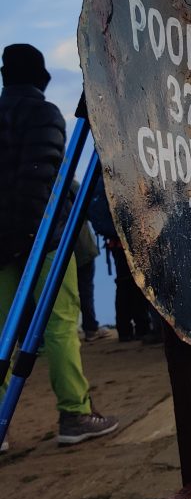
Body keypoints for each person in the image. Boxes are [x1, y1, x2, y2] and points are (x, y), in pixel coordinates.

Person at [0, 44, 118, 445]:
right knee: (59, 325)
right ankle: (74, 414)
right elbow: (42, 177)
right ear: (39, 76)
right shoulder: (44, 113)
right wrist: (30, 235)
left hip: (0, 244)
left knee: (1, 332)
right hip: (43, 239)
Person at [89, 168, 156, 343]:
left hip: (114, 240)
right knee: (137, 282)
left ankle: (125, 328)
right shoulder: (120, 172)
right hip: (129, 238)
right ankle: (141, 326)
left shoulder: (101, 176)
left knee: (124, 282)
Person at [73, 216, 110, 342]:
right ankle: (90, 329)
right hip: (82, 249)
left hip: (64, 252)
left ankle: (87, 328)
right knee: (86, 290)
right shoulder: (72, 198)